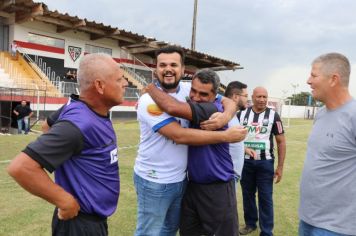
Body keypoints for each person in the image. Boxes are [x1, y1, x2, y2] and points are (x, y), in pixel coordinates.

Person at [7, 53, 128, 236]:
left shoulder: (83, 109)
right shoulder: (79, 125)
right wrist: (64, 200)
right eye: (119, 79)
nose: (125, 83)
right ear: (100, 86)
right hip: (79, 225)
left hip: (92, 222)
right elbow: (21, 167)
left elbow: (46, 126)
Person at [134, 46, 247, 236]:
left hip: (187, 181)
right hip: (155, 180)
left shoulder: (196, 95)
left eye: (173, 64)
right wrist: (225, 135)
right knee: (150, 232)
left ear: (182, 68)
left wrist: (226, 115)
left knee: (170, 230)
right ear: (156, 68)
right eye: (162, 65)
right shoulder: (149, 100)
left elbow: (228, 101)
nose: (196, 97)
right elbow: (179, 134)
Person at [299, 53, 356, 236]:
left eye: (314, 75)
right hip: (308, 218)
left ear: (333, 79)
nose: (308, 81)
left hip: (337, 227)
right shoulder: (321, 113)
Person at [237, 87, 286, 236]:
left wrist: (280, 167)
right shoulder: (241, 114)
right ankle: (250, 224)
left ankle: (266, 231)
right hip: (245, 163)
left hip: (265, 163)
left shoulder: (274, 116)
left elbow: (281, 142)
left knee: (265, 197)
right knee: (248, 194)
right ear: (252, 97)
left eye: (265, 96)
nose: (262, 99)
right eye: (259, 96)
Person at [225, 80, 250, 182]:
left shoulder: (233, 115)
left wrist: (244, 149)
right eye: (245, 96)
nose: (247, 100)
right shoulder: (224, 116)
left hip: (233, 176)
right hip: (227, 176)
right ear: (235, 97)